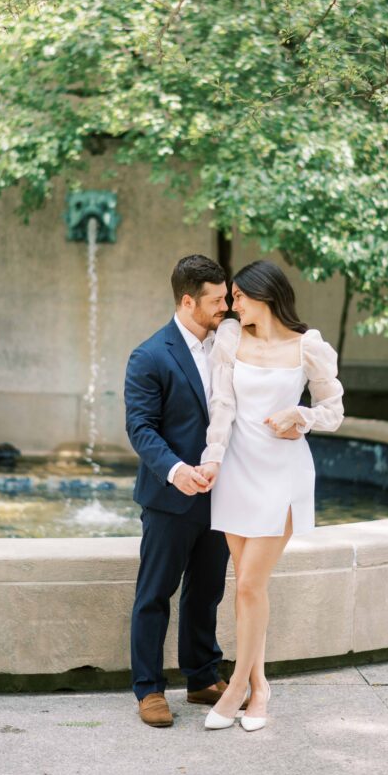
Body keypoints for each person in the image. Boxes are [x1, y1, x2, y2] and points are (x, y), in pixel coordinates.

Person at [197, 259, 345, 732]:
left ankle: (239, 685)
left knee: (249, 585)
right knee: (246, 587)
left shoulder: (308, 346)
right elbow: (222, 404)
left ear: (265, 296)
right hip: (237, 470)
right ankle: (260, 687)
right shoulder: (230, 338)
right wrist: (214, 456)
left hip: (283, 473)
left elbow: (333, 410)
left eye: (239, 296)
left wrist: (300, 416)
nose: (231, 304)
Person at [125, 254, 245, 727]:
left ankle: (201, 677)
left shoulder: (231, 345)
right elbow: (141, 428)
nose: (225, 307)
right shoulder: (150, 355)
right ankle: (150, 690)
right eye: (216, 300)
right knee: (155, 593)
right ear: (188, 299)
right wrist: (177, 471)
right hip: (170, 499)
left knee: (207, 591)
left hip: (221, 494)